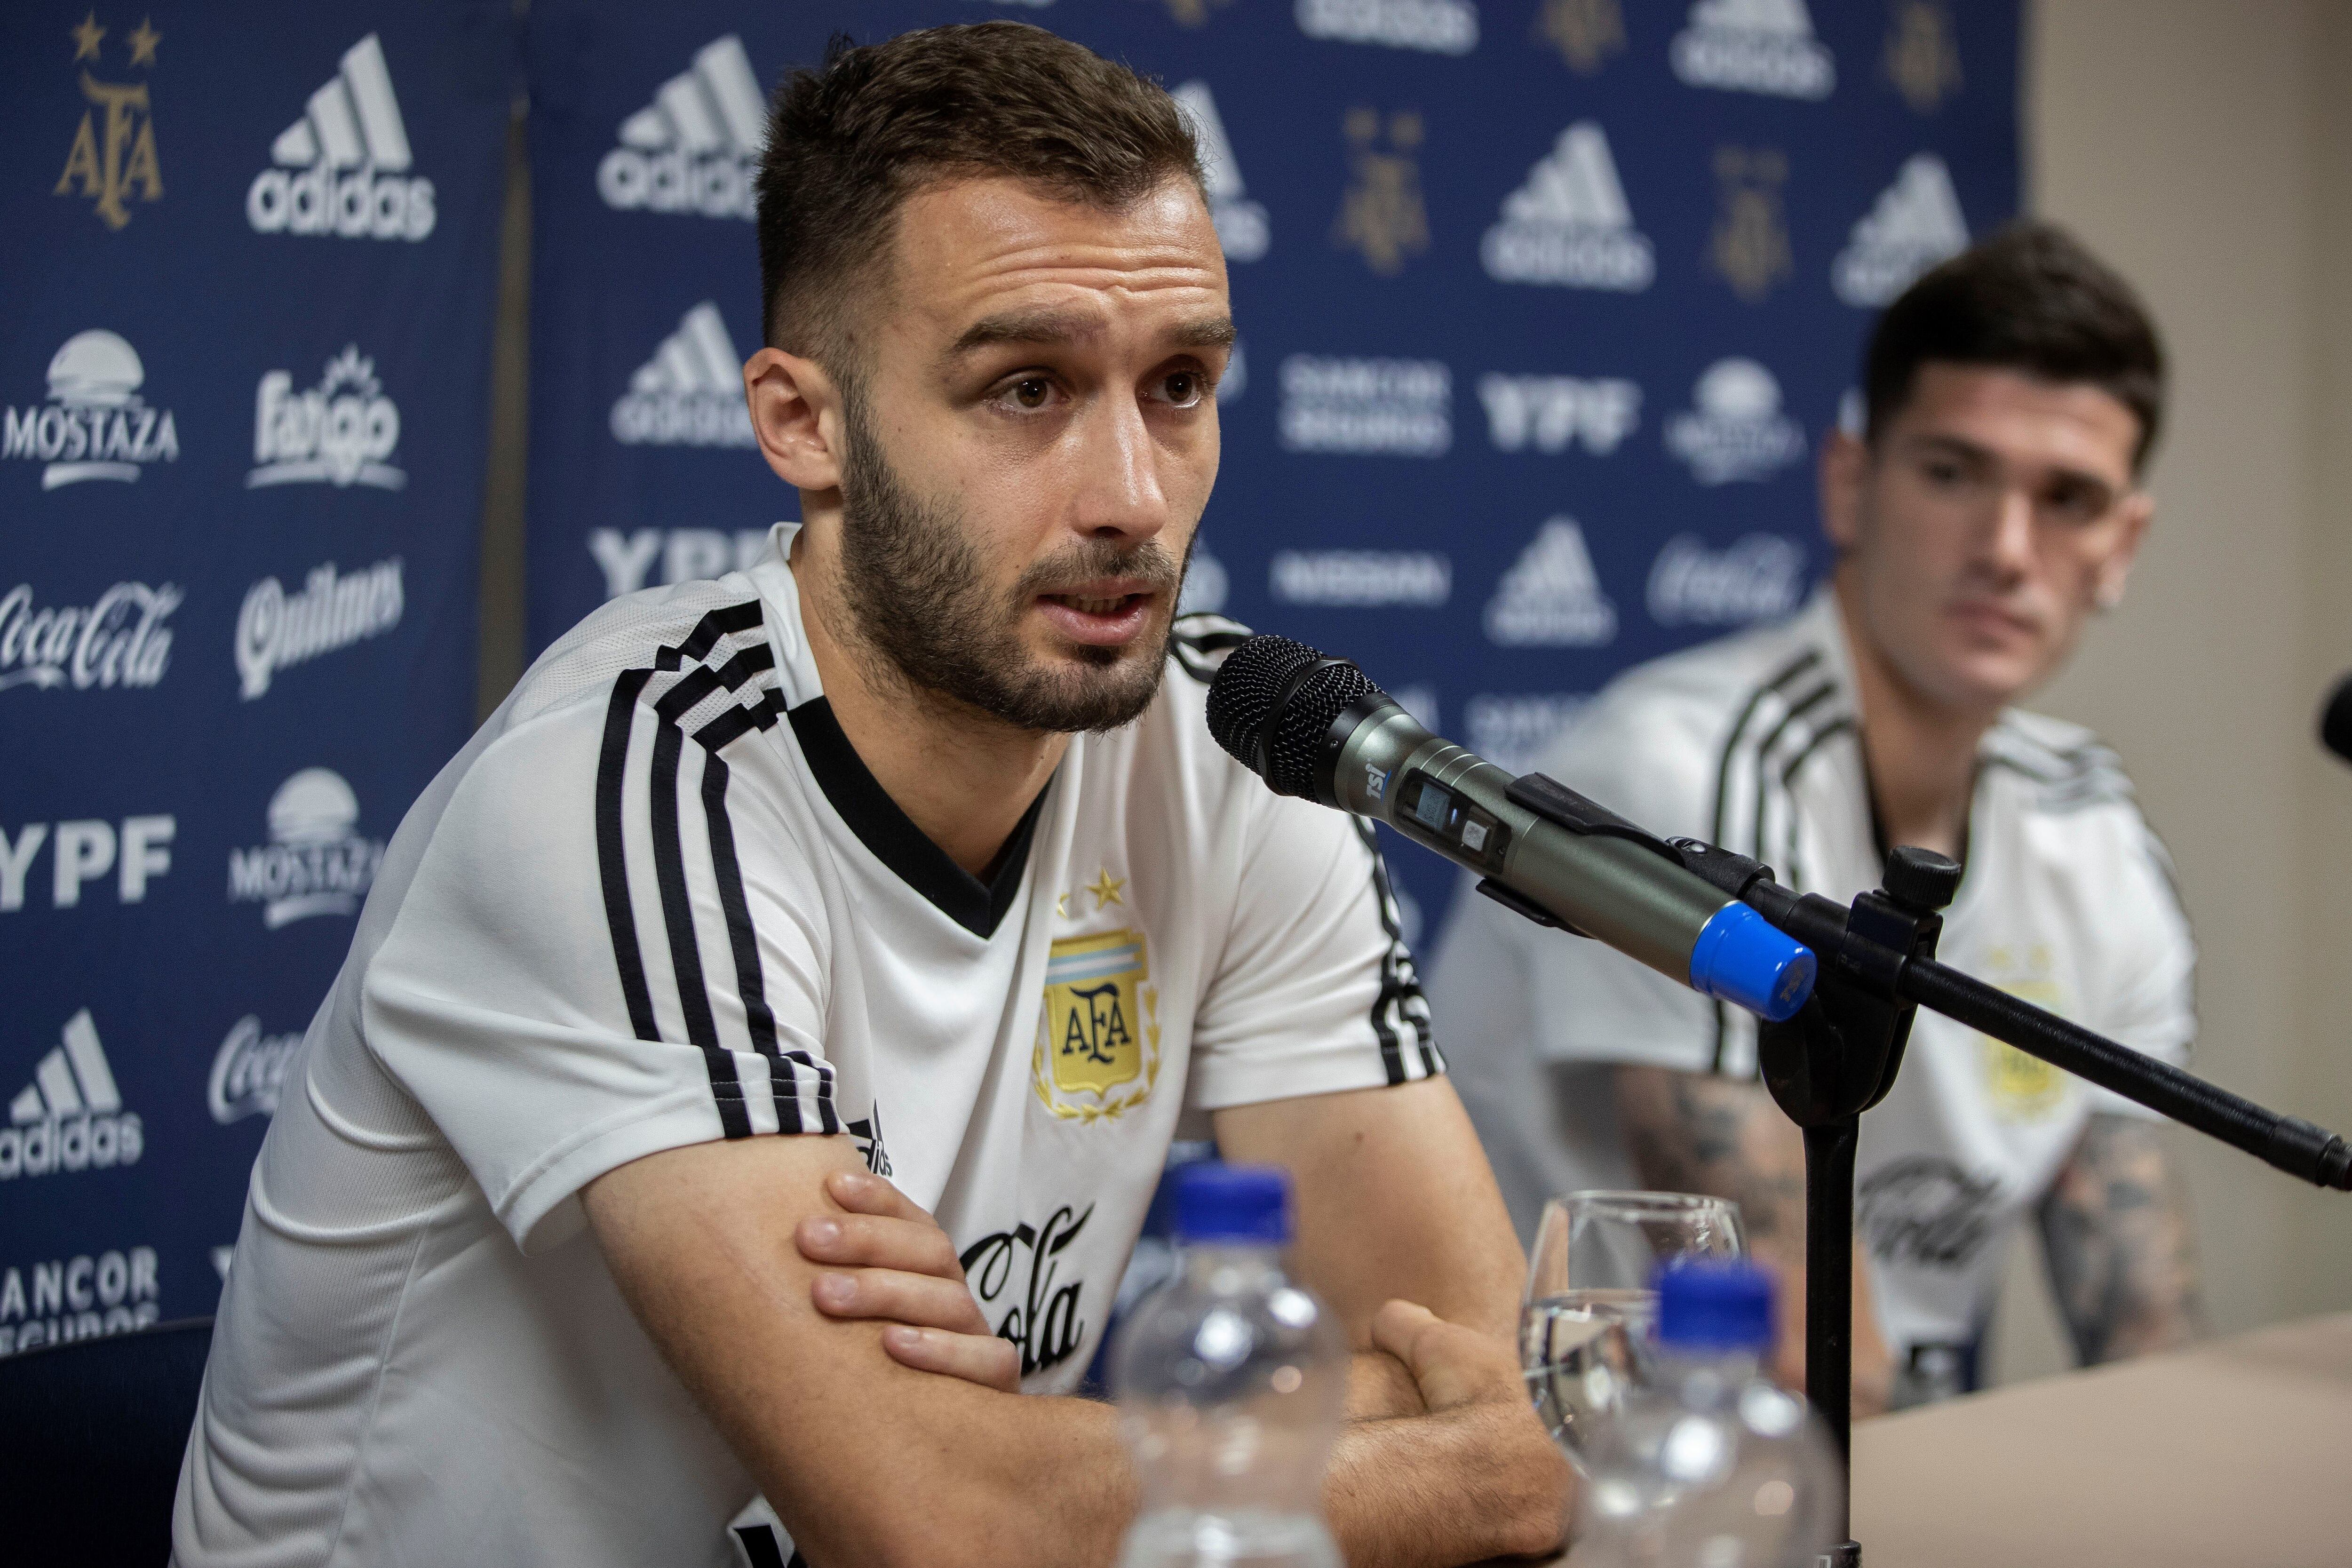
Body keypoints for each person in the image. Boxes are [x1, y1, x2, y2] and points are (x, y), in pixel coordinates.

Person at [174, 24, 1566, 1568]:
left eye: (1178, 385)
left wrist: (1005, 1461)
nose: (1132, 494)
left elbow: (1470, 1355)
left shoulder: (1238, 750)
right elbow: (939, 1517)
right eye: (1027, 387)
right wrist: (1462, 1479)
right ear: (801, 422)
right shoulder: (634, 777)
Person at [1428, 223, 2206, 1411]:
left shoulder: (2091, 823)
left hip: (1863, 1469)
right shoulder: (1687, 770)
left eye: (2067, 499)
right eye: (1953, 472)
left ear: (2122, 547)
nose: (2006, 549)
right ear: (1851, 482)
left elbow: (2146, 1319)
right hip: (1594, 1467)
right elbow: (1790, 1348)